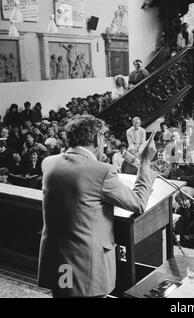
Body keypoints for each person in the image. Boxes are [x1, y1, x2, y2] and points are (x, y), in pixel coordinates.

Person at [38, 115, 158, 298]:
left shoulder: (49, 163)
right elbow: (138, 203)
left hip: (58, 260)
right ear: (97, 138)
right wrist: (145, 163)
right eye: (104, 137)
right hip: (86, 266)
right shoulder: (102, 171)